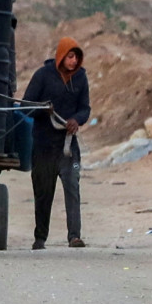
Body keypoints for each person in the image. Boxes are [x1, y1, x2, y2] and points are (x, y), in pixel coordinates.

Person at [22, 37, 91, 250]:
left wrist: (76, 120)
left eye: (77, 57)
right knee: (43, 192)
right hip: (43, 145)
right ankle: (40, 238)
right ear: (61, 56)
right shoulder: (43, 76)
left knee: (72, 188)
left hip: (67, 146)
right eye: (70, 56)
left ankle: (74, 236)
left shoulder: (80, 78)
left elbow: (85, 108)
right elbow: (26, 106)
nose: (74, 61)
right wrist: (43, 109)